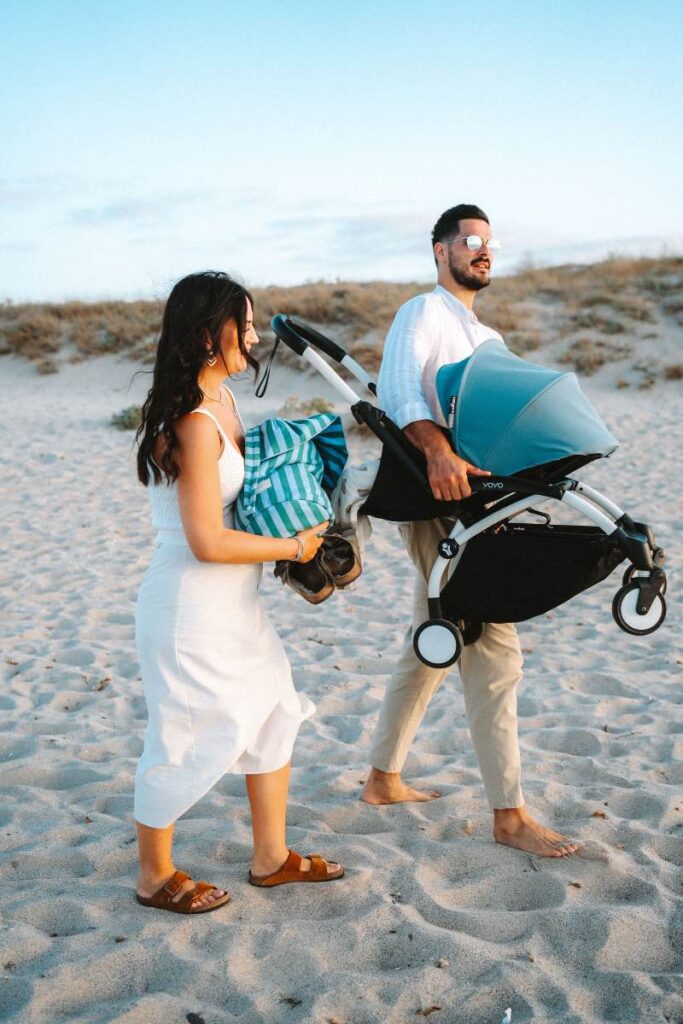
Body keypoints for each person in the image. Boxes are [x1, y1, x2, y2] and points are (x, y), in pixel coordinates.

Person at [361, 206, 580, 858]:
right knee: (493, 648)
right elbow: (399, 393)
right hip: (434, 497)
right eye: (471, 240)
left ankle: (382, 778)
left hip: (481, 502)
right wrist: (435, 451)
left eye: (490, 242)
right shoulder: (423, 312)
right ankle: (509, 816)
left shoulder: (485, 336)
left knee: (433, 640)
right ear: (441, 250)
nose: (484, 250)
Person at [134, 271, 344, 914]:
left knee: (275, 708)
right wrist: (294, 549)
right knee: (183, 734)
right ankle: (154, 876)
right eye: (244, 326)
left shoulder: (223, 401)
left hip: (234, 604)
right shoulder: (194, 424)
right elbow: (205, 540)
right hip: (189, 607)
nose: (254, 338)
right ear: (207, 334)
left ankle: (271, 857)